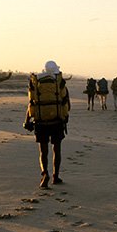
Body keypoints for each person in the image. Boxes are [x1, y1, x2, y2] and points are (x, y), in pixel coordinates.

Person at [28, 60, 70, 188]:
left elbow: (31, 102)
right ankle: (55, 176)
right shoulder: (59, 82)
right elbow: (65, 101)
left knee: (43, 151)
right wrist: (65, 117)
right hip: (56, 121)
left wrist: (27, 120)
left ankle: (44, 174)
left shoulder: (36, 82)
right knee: (56, 150)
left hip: (41, 122)